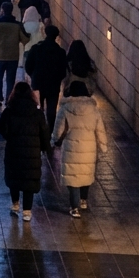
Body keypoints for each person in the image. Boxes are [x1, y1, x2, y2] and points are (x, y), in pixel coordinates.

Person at [52, 80, 108, 217]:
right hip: (88, 148)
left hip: (71, 148)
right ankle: (84, 200)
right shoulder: (93, 109)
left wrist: (55, 141)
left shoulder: (65, 109)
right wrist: (103, 145)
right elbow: (100, 129)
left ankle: (74, 207)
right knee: (85, 173)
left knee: (73, 178)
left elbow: (58, 130)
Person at [0, 81, 50, 221]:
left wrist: (10, 137)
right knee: (29, 179)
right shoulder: (37, 113)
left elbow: (1, 128)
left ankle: (15, 204)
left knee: (14, 176)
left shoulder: (9, 111)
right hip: (32, 151)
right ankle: (27, 211)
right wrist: (44, 147)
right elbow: (44, 132)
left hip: (14, 149)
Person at [23, 25, 68, 132]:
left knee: (37, 106)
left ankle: (38, 127)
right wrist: (58, 79)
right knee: (51, 109)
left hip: (38, 82)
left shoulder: (36, 49)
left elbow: (28, 65)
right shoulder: (61, 52)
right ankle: (50, 130)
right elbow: (63, 70)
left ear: (45, 34)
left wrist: (33, 75)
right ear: (56, 36)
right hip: (53, 84)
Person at [0, 1, 30, 108]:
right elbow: (25, 39)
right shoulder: (17, 25)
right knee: (10, 79)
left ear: (2, 10)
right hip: (13, 56)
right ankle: (8, 99)